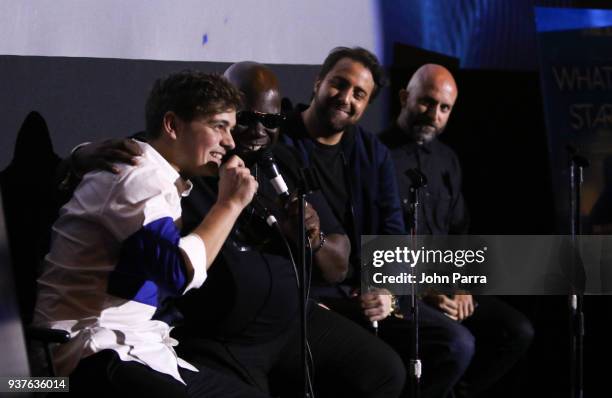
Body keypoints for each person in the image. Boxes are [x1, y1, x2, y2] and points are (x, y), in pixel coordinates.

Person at [67, 62, 406, 398]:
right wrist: (79, 155)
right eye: (242, 119)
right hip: (218, 337)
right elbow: (138, 158)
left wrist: (312, 238)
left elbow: (339, 263)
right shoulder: (191, 157)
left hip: (291, 322)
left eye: (271, 121)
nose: (255, 131)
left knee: (385, 372)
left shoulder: (282, 162)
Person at [33, 70, 266, 397]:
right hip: (87, 354)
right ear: (172, 125)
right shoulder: (136, 174)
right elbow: (175, 272)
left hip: (144, 345)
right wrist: (229, 205)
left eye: (230, 127)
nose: (231, 141)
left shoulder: (164, 176)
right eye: (219, 127)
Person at [380, 64, 534, 397]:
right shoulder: (377, 155)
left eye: (444, 108)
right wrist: (425, 291)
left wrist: (461, 285)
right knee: (456, 344)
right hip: (402, 292)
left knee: (517, 331)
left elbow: (458, 228)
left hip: (445, 284)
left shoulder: (448, 159)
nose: (434, 114)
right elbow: (378, 243)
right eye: (426, 102)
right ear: (405, 97)